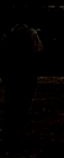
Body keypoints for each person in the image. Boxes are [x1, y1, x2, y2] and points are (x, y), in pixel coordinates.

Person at [0, 15, 44, 149]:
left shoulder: (9, 34)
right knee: (24, 105)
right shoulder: (31, 33)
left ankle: (12, 136)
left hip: (12, 73)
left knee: (12, 104)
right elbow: (38, 52)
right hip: (27, 73)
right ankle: (19, 136)